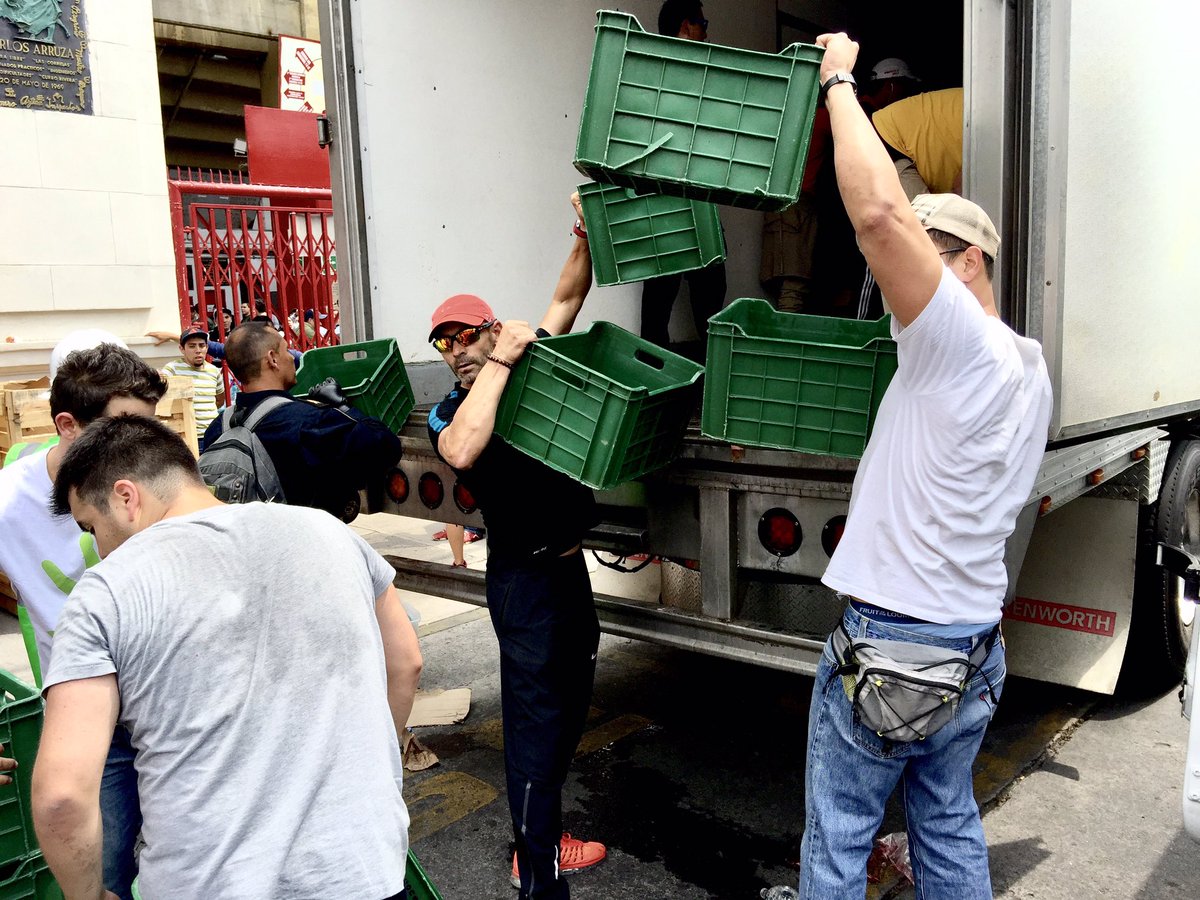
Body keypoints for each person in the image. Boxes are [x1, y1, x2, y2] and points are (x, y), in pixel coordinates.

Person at [799, 33, 1053, 899]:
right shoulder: (1030, 362)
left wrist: (839, 79)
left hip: (896, 645)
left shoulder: (956, 337)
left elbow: (876, 215)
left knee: (837, 841)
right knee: (945, 821)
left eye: (925, 251)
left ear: (969, 262)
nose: (895, 273)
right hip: (973, 645)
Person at [33, 414, 422, 899]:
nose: (99, 547)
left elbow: (62, 798)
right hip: (361, 873)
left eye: (91, 527)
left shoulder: (106, 592)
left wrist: (87, 896)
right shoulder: (330, 533)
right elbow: (406, 662)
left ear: (126, 497)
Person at [427, 193, 604, 898]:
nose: (454, 351)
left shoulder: (526, 369)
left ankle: (545, 837)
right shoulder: (458, 406)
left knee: (566, 715)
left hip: (569, 576)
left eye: (465, 335)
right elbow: (462, 449)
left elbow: (568, 292)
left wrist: (587, 232)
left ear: (489, 327)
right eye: (443, 342)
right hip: (521, 584)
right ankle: (537, 880)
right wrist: (498, 361)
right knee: (532, 734)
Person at [0, 339, 166, 900]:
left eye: (151, 427)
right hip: (95, 726)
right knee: (104, 872)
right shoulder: (8, 504)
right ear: (69, 426)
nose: (141, 447)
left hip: (180, 709)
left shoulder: (153, 479)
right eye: (123, 429)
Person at [201, 321, 402, 520]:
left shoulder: (218, 427)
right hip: (304, 545)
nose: (292, 358)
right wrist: (342, 406)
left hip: (246, 544)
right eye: (286, 350)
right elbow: (386, 447)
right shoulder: (307, 421)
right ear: (272, 359)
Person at [640, 0, 725, 359]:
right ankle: (713, 379)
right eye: (703, 23)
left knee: (659, 295)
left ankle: (653, 381)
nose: (706, 31)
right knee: (708, 292)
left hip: (657, 196)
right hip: (688, 197)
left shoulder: (648, 70)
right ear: (687, 26)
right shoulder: (694, 73)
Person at [871, 85, 964, 198]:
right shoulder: (985, 112)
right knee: (924, 213)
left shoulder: (979, 99)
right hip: (889, 141)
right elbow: (964, 186)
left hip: (886, 130)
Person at [160, 323, 223, 449]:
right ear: (182, 349)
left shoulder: (214, 371)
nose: (198, 350)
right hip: (187, 437)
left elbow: (219, 400)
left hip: (214, 435)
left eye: (202, 345)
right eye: (192, 346)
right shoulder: (172, 369)